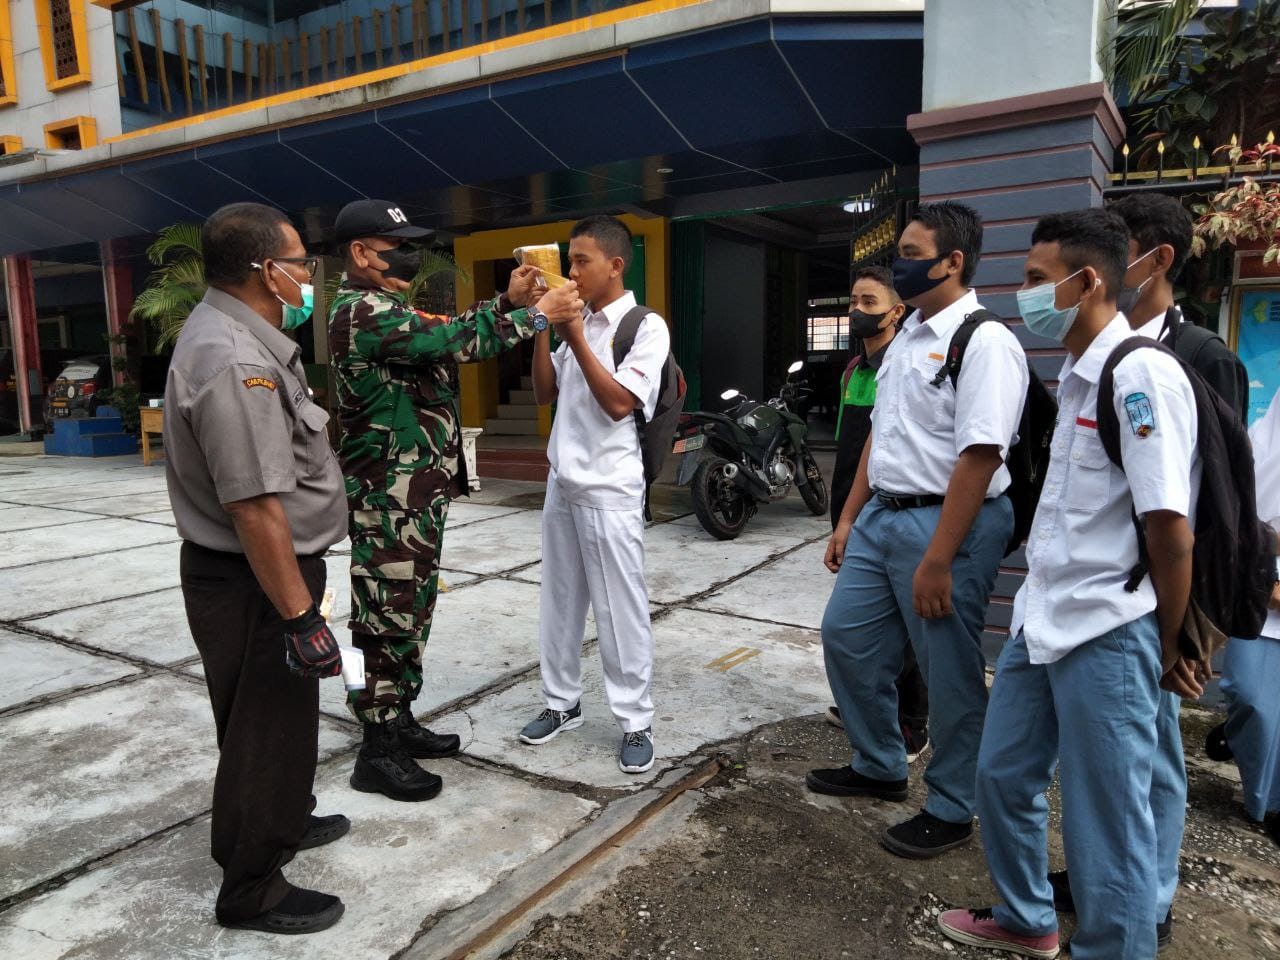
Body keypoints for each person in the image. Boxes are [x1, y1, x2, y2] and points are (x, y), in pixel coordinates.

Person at [940, 208, 1203, 960]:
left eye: (1033, 280)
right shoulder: (1079, 378)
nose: (1021, 294)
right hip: (1043, 621)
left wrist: (1171, 636)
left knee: (1107, 822)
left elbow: (1169, 530)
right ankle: (1027, 919)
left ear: (1086, 283)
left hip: (1107, 630)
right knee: (1002, 776)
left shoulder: (1140, 375)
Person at [1041, 191, 1252, 948]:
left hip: (1154, 597)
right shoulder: (1089, 354)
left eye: (1116, 240)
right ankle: (1114, 885)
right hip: (1098, 598)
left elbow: (1207, 501)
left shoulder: (1198, 358)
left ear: (1153, 261)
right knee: (1129, 759)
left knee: (1150, 758)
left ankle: (1148, 896)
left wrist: (1186, 628)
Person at [328, 199, 584, 802]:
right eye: (399, 249)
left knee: (411, 613)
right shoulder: (360, 311)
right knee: (383, 618)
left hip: (412, 495)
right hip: (385, 498)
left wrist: (508, 302)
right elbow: (454, 341)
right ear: (360, 254)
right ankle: (377, 748)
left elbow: (440, 337)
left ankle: (400, 719)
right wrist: (536, 314)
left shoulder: (388, 307)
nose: (411, 259)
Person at [809, 201, 1029, 859]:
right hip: (883, 516)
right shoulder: (906, 337)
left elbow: (981, 455)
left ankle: (954, 804)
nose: (900, 264)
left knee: (949, 670)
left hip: (948, 520)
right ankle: (879, 765)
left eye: (910, 252)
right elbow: (883, 432)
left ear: (952, 261)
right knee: (844, 637)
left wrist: (939, 556)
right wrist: (849, 517)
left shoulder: (985, 342)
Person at [164, 202, 350, 934]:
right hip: (257, 579)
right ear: (264, 271)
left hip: (253, 574)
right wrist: (300, 616)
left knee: (264, 723)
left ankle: (279, 820)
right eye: (300, 263)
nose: (307, 276)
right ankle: (252, 887)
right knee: (268, 729)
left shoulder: (237, 334)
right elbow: (255, 508)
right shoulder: (236, 359)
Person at [518, 214, 671, 775]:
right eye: (569, 260)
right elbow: (544, 393)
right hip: (563, 481)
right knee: (559, 601)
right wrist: (541, 323)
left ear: (615, 264)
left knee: (617, 607)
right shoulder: (571, 319)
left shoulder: (643, 326)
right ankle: (561, 704)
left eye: (581, 260)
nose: (572, 271)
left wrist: (575, 334)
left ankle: (635, 719)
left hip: (610, 487)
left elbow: (619, 404)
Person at [824, 267, 928, 763]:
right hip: (850, 504)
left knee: (903, 628)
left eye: (869, 302)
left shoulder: (902, 366)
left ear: (895, 312)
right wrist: (841, 516)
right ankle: (866, 705)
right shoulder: (854, 369)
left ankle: (911, 724)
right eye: (853, 301)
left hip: (886, 509)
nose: (856, 311)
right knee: (861, 625)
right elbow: (852, 449)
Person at [1207, 388, 1280, 849]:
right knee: (1251, 698)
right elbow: (1242, 515)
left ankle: (1273, 806)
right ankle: (1261, 794)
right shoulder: (1263, 439)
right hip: (1262, 591)